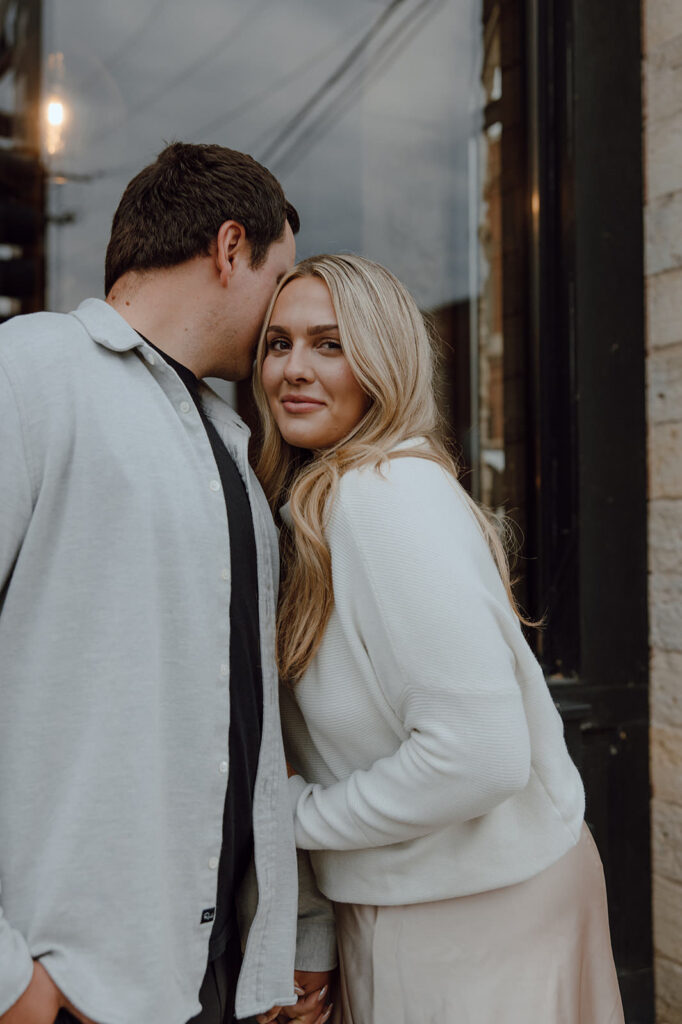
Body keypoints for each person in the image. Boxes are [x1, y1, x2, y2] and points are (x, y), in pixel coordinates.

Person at [0, 143, 335, 1024]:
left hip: (208, 983)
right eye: (281, 275)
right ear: (231, 248)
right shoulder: (30, 369)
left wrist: (287, 940)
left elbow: (248, 720)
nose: (279, 314)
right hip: (69, 987)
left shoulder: (228, 439)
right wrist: (10, 982)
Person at [252, 253, 626, 1024]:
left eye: (329, 344)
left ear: (384, 363)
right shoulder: (327, 503)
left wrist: (290, 819)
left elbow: (478, 753)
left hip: (477, 912)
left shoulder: (381, 498)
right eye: (276, 343)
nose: (293, 368)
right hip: (427, 897)